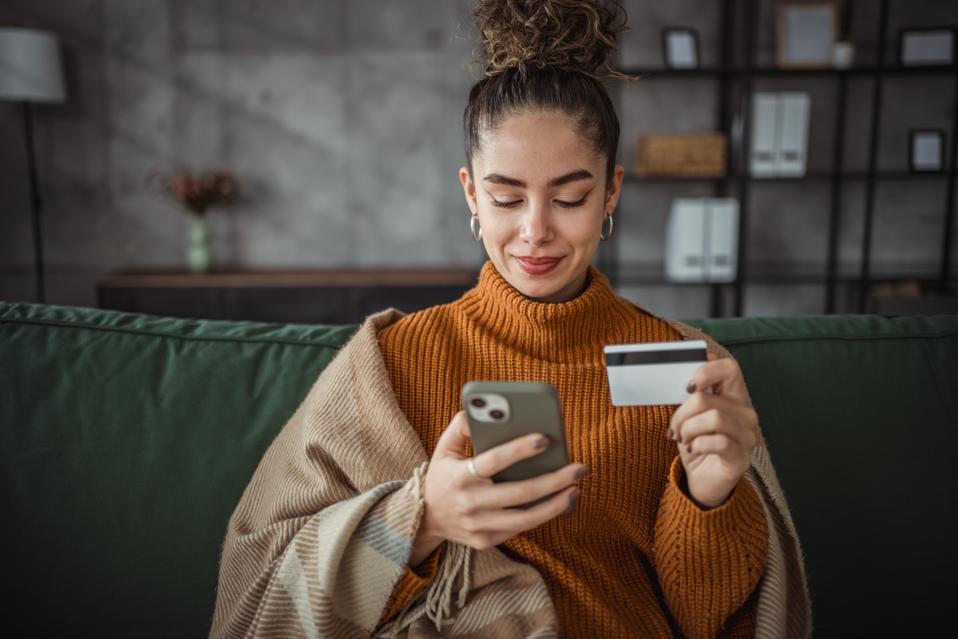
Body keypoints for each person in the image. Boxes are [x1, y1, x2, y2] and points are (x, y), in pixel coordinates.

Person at [209, 1, 811, 637]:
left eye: (570, 197)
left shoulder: (691, 367)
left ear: (611, 191)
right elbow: (260, 590)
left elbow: (710, 620)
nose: (535, 232)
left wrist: (710, 496)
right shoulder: (388, 362)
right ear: (471, 193)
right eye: (505, 197)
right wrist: (421, 518)